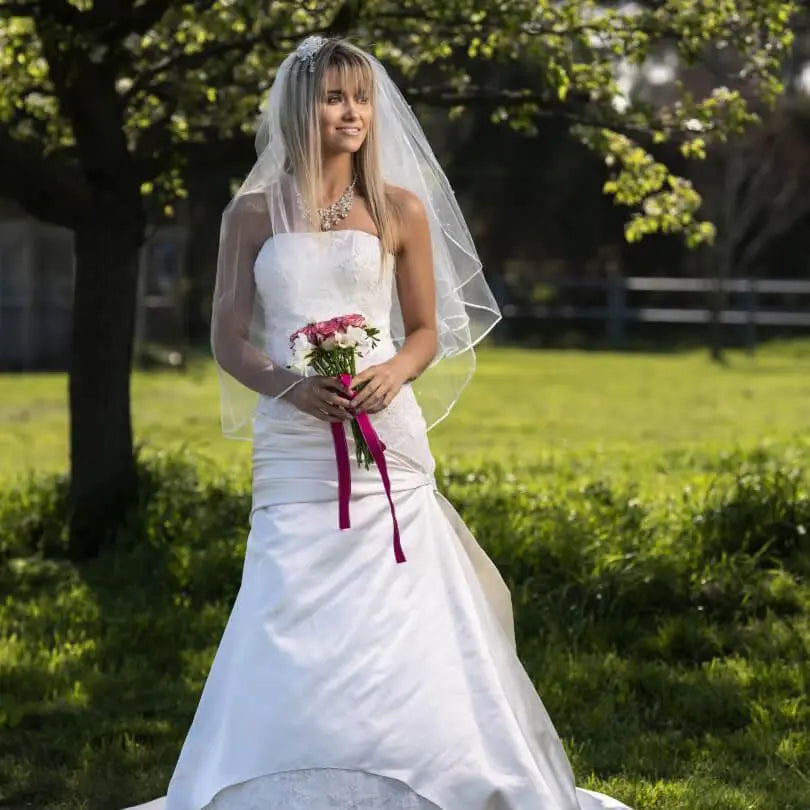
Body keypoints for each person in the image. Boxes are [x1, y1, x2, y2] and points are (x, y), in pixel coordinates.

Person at [124, 37, 632, 810]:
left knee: (402, 597)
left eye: (361, 98)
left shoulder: (400, 209)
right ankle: (279, 770)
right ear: (301, 108)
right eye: (334, 97)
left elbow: (427, 328)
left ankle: (420, 769)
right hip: (294, 443)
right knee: (284, 595)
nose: (353, 112)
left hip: (383, 434)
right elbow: (228, 337)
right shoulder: (251, 214)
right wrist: (290, 387)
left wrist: (393, 372)